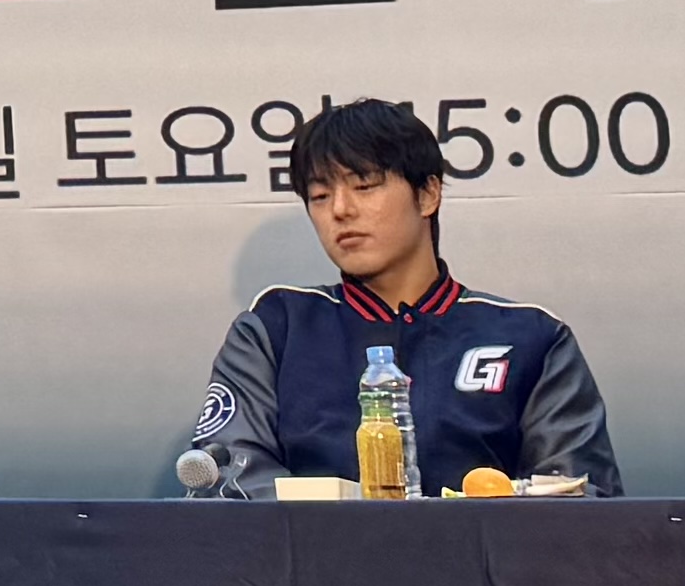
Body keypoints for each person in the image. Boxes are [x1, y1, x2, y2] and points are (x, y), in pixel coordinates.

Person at [188, 96, 623, 495]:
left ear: (428, 194)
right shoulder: (275, 329)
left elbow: (582, 498)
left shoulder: (532, 337)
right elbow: (229, 477)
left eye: (364, 186)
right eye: (319, 195)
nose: (340, 209)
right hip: (311, 557)